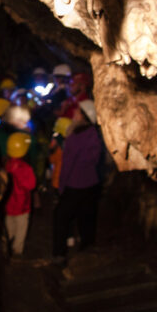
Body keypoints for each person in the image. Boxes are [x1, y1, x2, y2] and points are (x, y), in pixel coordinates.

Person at [52, 99, 103, 263]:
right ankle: (87, 247)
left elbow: (67, 164)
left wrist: (61, 187)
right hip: (92, 183)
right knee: (86, 217)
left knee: (61, 218)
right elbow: (96, 160)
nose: (74, 113)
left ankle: (60, 253)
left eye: (78, 111)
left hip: (74, 184)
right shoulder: (95, 134)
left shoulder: (74, 136)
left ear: (83, 116)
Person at [4, 132, 36, 257]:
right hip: (22, 205)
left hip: (9, 204)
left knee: (9, 226)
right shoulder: (26, 168)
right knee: (21, 229)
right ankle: (17, 250)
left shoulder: (7, 164)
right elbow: (31, 185)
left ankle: (6, 244)